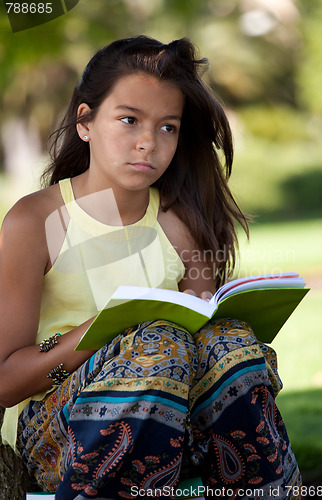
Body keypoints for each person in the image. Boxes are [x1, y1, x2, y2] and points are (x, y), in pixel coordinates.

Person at [0, 36, 301, 499]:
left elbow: (207, 345)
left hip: (176, 433)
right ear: (85, 122)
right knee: (157, 340)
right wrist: (105, 331)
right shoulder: (35, 220)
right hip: (60, 435)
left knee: (225, 341)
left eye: (168, 128)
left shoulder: (180, 224)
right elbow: (5, 382)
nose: (148, 143)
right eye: (129, 120)